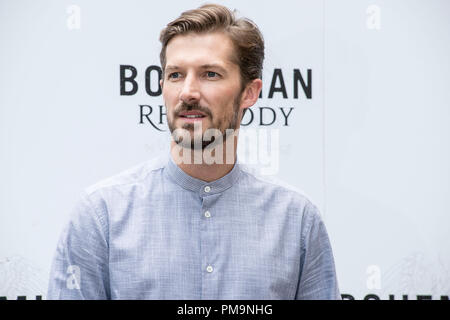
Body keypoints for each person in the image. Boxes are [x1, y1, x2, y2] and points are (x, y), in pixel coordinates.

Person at [47, 4, 341, 300]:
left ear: (249, 92)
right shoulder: (101, 216)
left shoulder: (296, 220)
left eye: (210, 74)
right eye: (175, 75)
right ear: (162, 86)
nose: (187, 92)